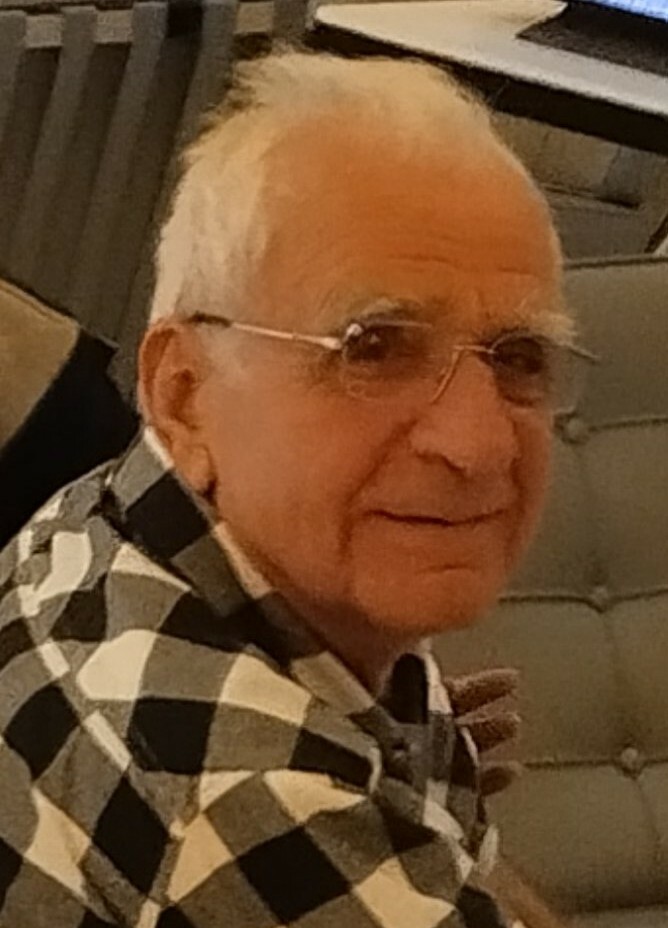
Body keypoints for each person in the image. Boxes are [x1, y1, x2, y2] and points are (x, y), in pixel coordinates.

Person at [0, 49, 590, 927]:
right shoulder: (254, 801)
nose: (477, 444)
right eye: (374, 348)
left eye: (520, 357)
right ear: (184, 393)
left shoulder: (104, 515)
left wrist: (406, 786)